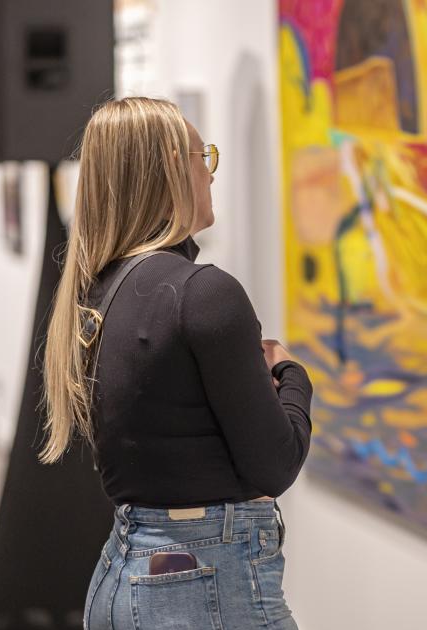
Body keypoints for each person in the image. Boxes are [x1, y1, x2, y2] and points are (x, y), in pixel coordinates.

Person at [38, 96, 312, 630]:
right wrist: (292, 375)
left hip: (125, 576)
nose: (210, 172)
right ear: (167, 171)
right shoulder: (204, 293)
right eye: (201, 156)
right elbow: (276, 466)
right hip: (203, 584)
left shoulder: (100, 293)